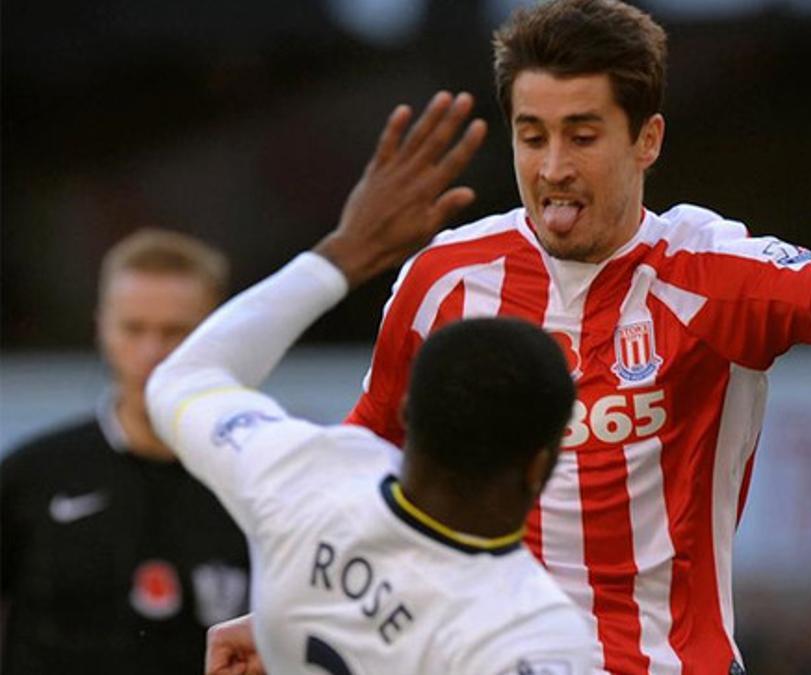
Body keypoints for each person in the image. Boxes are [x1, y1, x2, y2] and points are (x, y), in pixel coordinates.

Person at [338, 1, 811, 673]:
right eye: (532, 135)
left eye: (581, 135)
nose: (552, 168)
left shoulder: (710, 271)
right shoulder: (446, 281)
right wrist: (293, 606)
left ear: (647, 139)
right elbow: (368, 441)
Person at [145, 91, 599, 674]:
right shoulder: (529, 633)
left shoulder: (310, 476)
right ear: (540, 464)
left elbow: (182, 379)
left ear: (407, 415)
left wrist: (343, 253)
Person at [0, 229, 251, 674]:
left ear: (219, 332)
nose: (152, 351)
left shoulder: (261, 479)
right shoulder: (32, 475)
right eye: (133, 329)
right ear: (101, 327)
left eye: (175, 332)